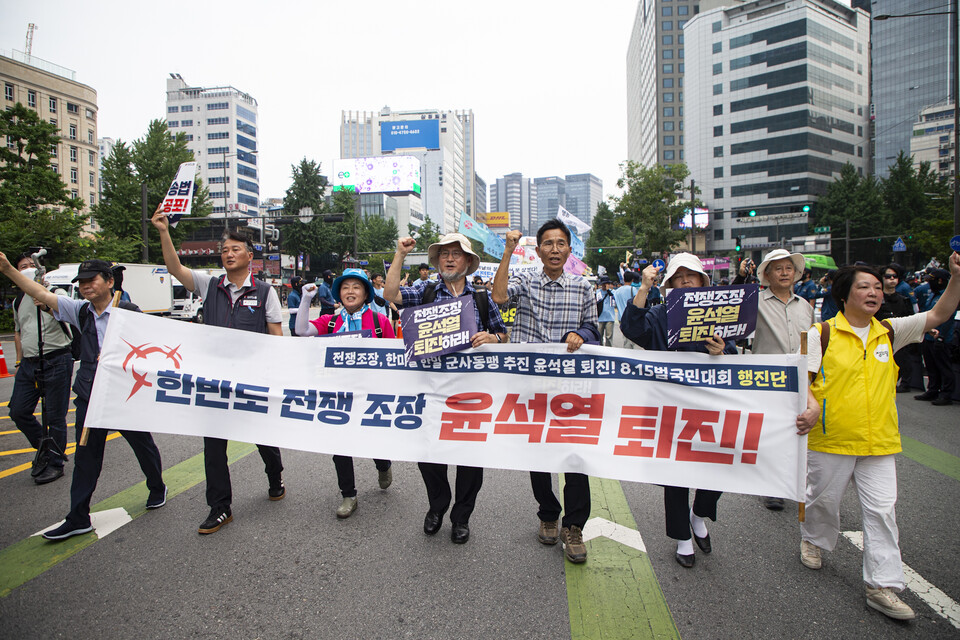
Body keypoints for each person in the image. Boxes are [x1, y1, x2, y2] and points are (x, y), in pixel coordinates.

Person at [797, 254, 960, 621]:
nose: (874, 292)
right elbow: (802, 382)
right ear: (844, 295)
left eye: (876, 286)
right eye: (864, 287)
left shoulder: (890, 330)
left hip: (880, 442)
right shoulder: (820, 334)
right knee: (822, 501)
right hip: (832, 439)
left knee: (882, 512)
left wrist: (956, 278)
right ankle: (814, 539)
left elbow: (938, 315)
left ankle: (882, 586)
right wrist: (811, 407)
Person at [0, 255, 167, 540]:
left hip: (124, 396)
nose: (86, 287)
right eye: (82, 283)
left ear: (109, 281)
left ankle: (156, 486)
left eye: (92, 281)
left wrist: (120, 357)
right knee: (86, 456)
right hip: (92, 396)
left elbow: (153, 349)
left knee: (143, 445)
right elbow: (39, 293)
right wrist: (7, 270)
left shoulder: (128, 311)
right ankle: (78, 516)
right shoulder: (80, 311)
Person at [153, 208, 286, 535]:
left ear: (249, 256)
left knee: (263, 438)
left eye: (235, 249)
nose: (228, 254)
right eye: (224, 250)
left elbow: (277, 340)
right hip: (214, 384)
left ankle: (275, 473)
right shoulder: (209, 285)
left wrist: (275, 378)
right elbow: (175, 267)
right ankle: (220, 507)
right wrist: (163, 232)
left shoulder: (266, 293)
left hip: (252, 383)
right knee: (213, 446)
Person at [384, 233, 508, 544]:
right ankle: (437, 506)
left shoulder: (481, 298)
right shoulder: (425, 292)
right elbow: (390, 293)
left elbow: (504, 335)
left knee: (470, 462)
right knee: (429, 456)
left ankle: (461, 516)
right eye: (443, 254)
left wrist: (493, 339)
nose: (449, 259)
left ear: (468, 262)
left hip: (472, 395)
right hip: (431, 393)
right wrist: (399, 254)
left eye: (456, 254)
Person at [492, 220, 599, 564]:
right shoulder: (524, 281)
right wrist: (508, 250)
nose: (555, 249)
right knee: (538, 457)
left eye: (561, 243)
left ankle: (574, 526)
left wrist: (582, 333)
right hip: (532, 387)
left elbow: (594, 329)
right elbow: (498, 296)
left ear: (570, 249)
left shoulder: (583, 287)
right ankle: (548, 514)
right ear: (538, 251)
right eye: (548, 244)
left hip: (570, 389)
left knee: (575, 458)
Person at [620, 253, 737, 568]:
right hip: (670, 407)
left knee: (719, 466)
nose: (686, 282)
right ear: (670, 284)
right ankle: (683, 537)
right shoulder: (659, 315)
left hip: (711, 406)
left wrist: (722, 351)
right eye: (679, 278)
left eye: (692, 276)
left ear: (703, 281)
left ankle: (699, 515)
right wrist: (644, 287)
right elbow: (632, 328)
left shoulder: (720, 315)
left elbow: (735, 354)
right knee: (675, 475)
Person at [296, 269, 395, 518]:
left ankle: (383, 465)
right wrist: (307, 298)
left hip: (371, 395)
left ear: (366, 293)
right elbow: (301, 330)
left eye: (356, 287)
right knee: (340, 445)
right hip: (338, 395)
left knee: (373, 440)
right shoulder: (331, 321)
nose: (350, 291)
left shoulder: (379, 322)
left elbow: (394, 358)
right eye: (345, 287)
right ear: (339, 293)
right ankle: (348, 494)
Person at [734, 249, 814, 511]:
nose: (784, 273)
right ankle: (771, 487)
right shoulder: (755, 301)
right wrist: (741, 277)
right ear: (767, 275)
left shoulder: (806, 306)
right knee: (770, 431)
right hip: (766, 378)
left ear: (796, 273)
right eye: (777, 268)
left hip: (799, 377)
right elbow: (733, 307)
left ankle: (792, 481)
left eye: (788, 268)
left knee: (796, 429)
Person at [9, 252, 73, 485]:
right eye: (21, 267)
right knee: (18, 410)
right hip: (29, 362)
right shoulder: (18, 300)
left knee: (55, 416)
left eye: (29, 265)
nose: (26, 269)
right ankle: (45, 448)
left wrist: (46, 303)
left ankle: (54, 463)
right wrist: (18, 361)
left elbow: (68, 318)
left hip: (56, 357)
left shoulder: (55, 293)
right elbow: (19, 331)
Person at [913, 268, 955, 405]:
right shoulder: (934, 294)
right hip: (929, 336)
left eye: (931, 280)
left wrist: (942, 336)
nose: (929, 283)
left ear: (940, 281)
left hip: (942, 338)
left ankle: (946, 393)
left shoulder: (948, 297)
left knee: (944, 367)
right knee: (931, 365)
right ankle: (933, 389)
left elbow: (949, 319)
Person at [877, 265, 916, 393]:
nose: (892, 279)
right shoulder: (875, 299)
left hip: (900, 341)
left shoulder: (903, 300)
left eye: (895, 276)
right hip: (880, 342)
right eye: (888, 276)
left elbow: (911, 319)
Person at [613, 271, 640, 349]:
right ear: (632, 279)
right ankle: (629, 355)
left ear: (624, 279)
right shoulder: (633, 289)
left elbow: (614, 304)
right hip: (631, 317)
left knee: (626, 337)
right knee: (630, 339)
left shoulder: (617, 291)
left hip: (621, 317)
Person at [596, 277, 617, 347]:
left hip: (610, 317)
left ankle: (609, 350)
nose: (605, 285)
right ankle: (599, 349)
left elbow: (614, 302)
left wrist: (608, 290)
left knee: (609, 336)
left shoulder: (612, 292)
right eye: (604, 284)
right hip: (600, 317)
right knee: (599, 336)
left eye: (607, 284)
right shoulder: (598, 292)